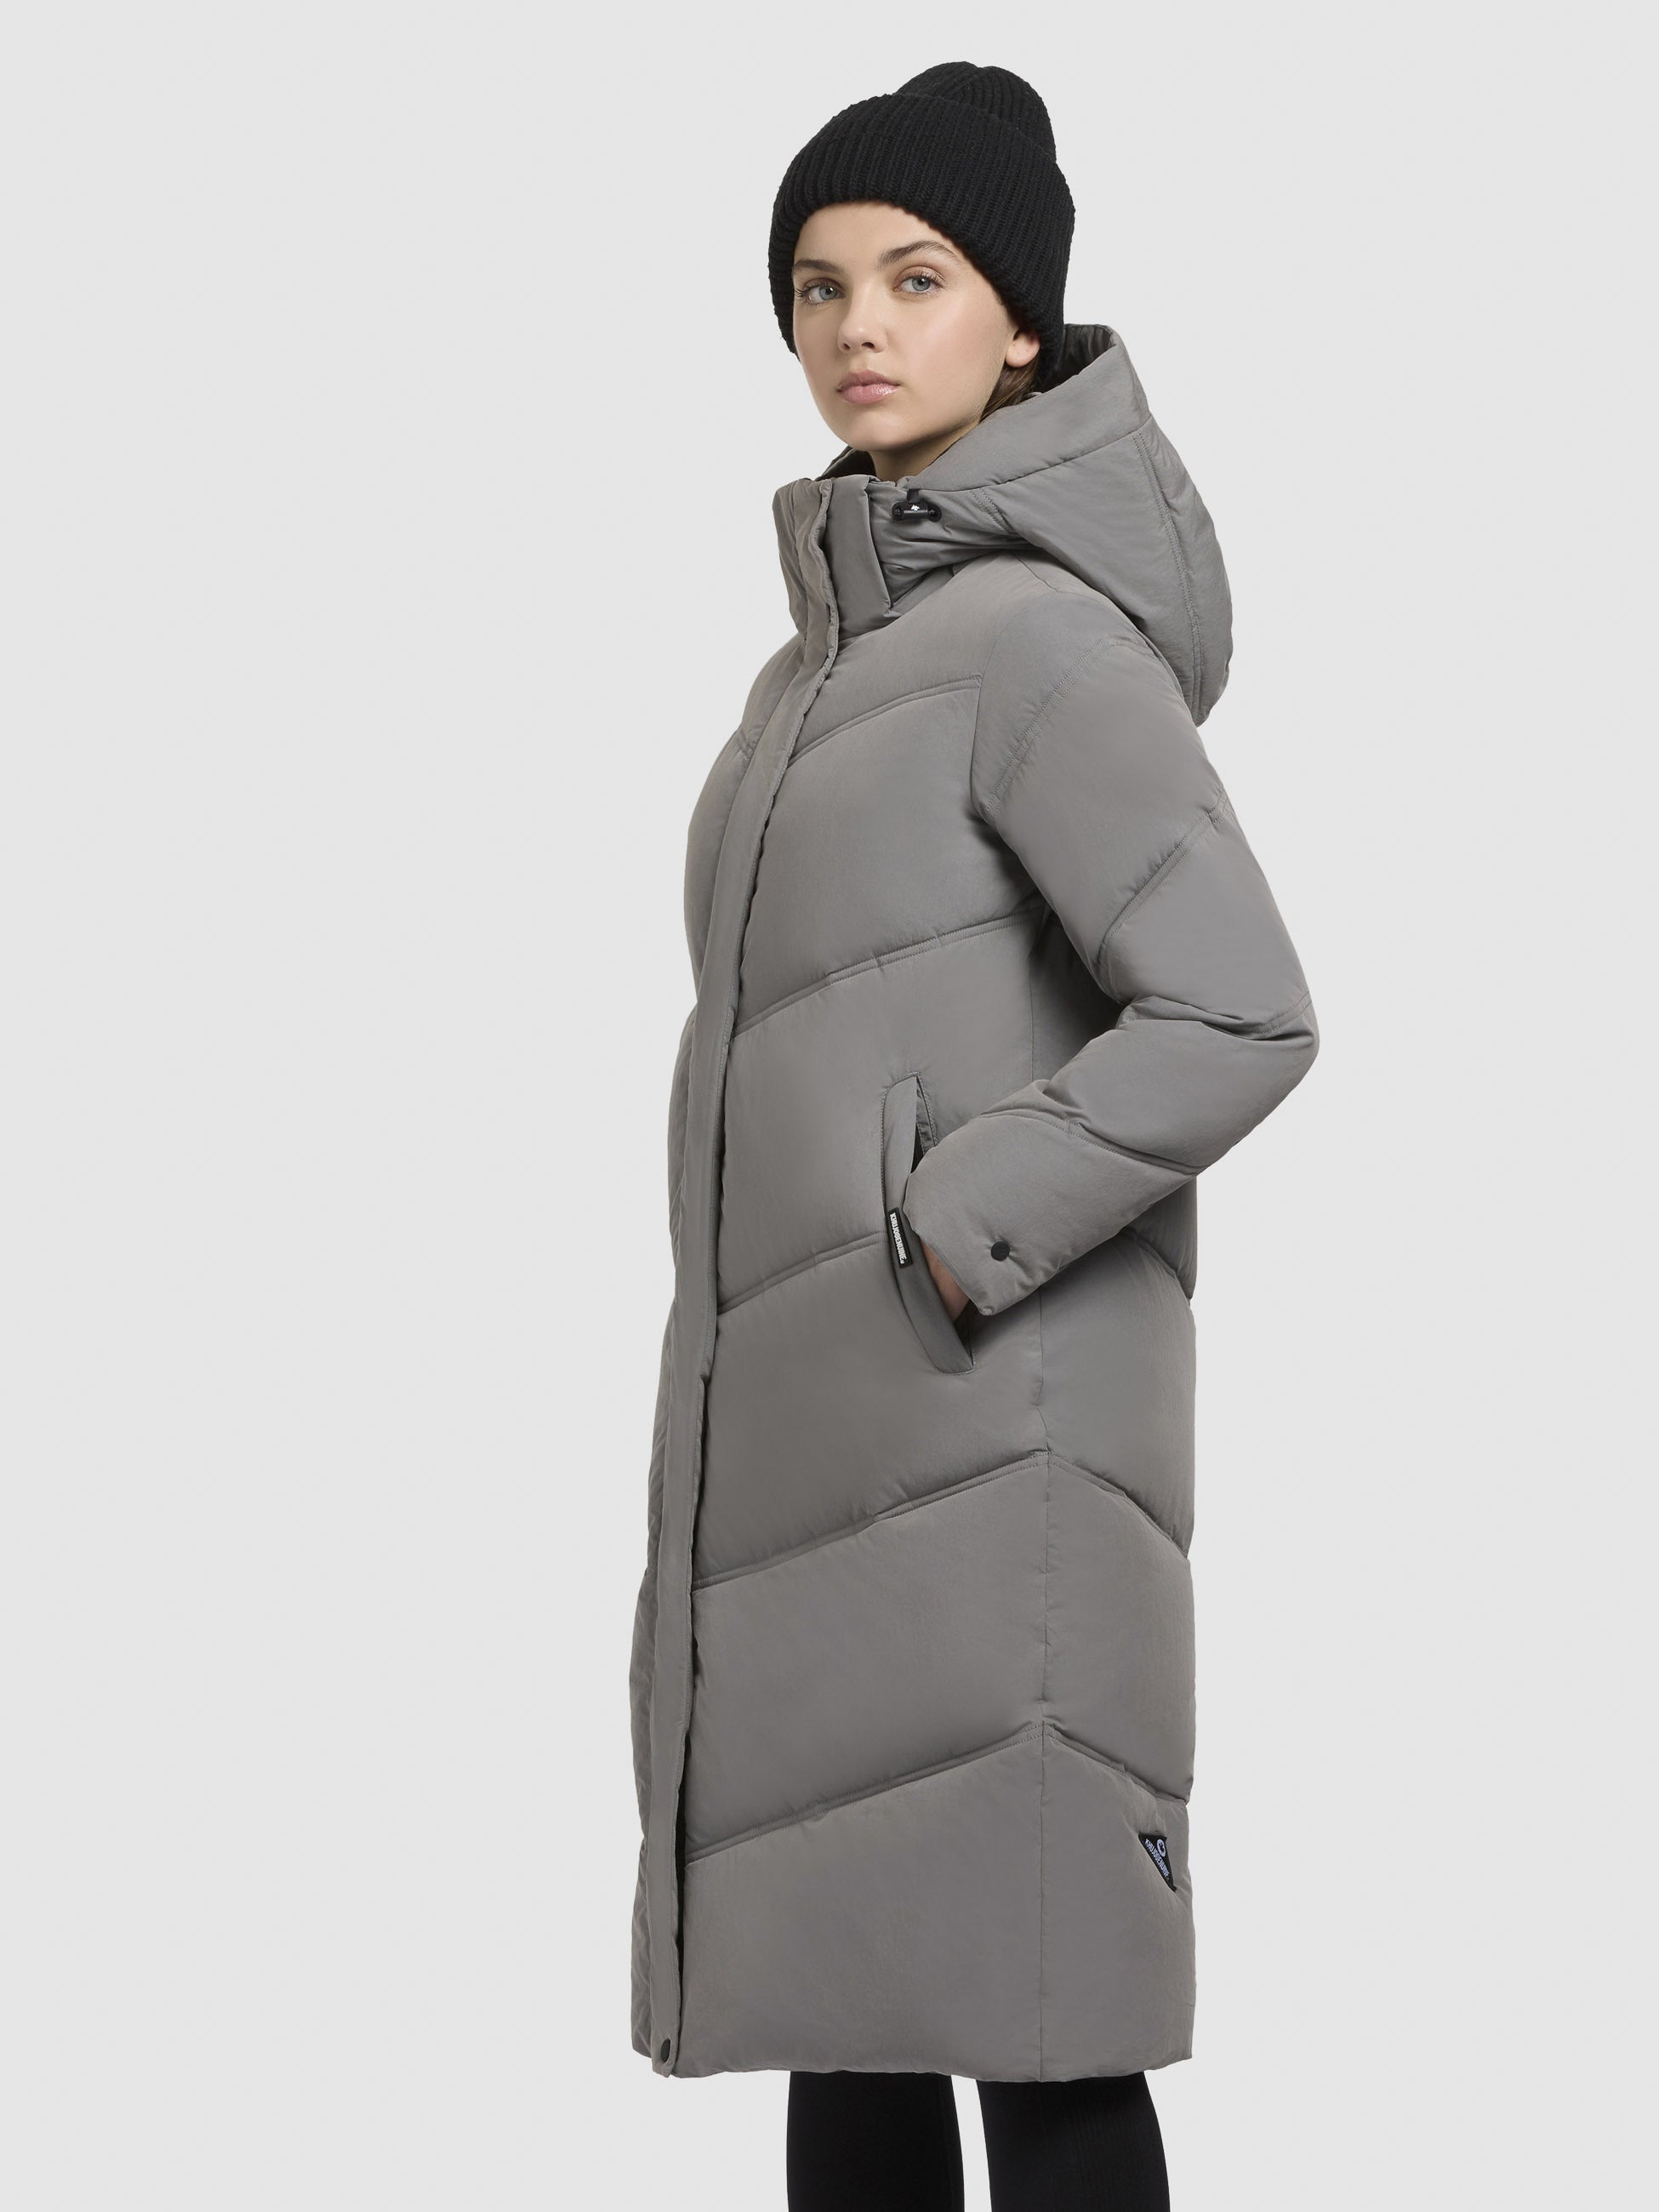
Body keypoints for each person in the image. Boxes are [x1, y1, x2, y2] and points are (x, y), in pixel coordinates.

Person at [627, 61, 1320, 2209]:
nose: (859, 325)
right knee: (847, 2002)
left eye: (917, 278)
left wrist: (948, 1228)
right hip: (822, 1462)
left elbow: (1241, 1005)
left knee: (1036, 2024)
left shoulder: (1035, 645)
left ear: (1020, 323)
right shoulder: (814, 676)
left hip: (992, 1455)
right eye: (819, 286)